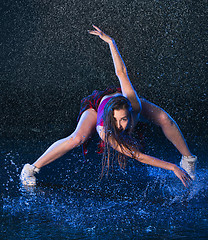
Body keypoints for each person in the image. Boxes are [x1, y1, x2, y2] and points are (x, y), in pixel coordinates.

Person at [20, 25, 197, 187]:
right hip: (98, 106)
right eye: (117, 121)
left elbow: (121, 72)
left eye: (124, 119)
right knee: (77, 138)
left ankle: (189, 160)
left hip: (121, 100)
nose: (120, 125)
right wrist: (172, 167)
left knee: (164, 118)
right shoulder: (104, 129)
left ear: (131, 112)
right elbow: (136, 155)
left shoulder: (134, 104)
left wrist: (112, 42)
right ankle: (31, 169)